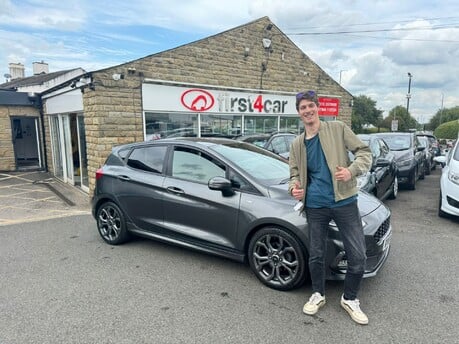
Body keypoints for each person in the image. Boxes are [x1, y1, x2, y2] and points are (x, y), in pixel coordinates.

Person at [288, 90, 372, 325]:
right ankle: (318, 294)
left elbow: (364, 152)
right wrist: (294, 187)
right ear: (299, 113)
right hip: (315, 205)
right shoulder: (297, 144)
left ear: (318, 108)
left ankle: (350, 298)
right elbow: (294, 174)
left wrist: (351, 170)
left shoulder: (337, 128)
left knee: (358, 254)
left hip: (344, 201)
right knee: (316, 253)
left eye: (310, 106)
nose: (307, 111)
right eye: (303, 108)